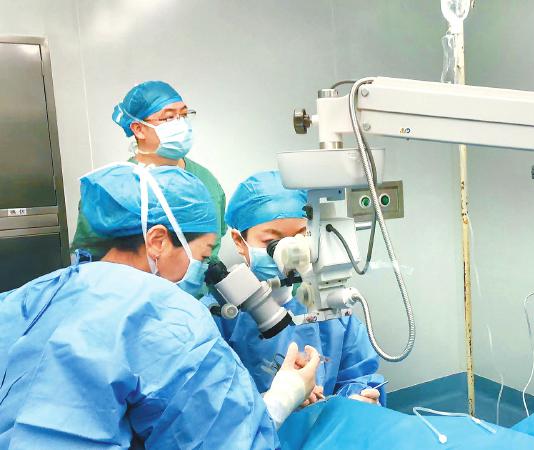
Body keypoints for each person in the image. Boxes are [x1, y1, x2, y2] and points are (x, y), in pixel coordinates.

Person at [0, 164, 318, 448]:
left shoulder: (34, 294)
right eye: (203, 255)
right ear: (157, 241)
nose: (204, 269)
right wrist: (284, 396)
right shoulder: (169, 318)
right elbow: (222, 441)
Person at [211, 170, 386, 406]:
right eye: (271, 243)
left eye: (300, 238)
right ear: (239, 242)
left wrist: (356, 402)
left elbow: (359, 376)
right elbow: (214, 406)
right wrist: (275, 403)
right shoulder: (218, 316)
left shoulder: (327, 305)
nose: (289, 254)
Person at [71, 81, 226, 268]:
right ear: (138, 129)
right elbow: (90, 258)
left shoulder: (205, 180)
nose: (181, 123)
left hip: (198, 286)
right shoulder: (112, 189)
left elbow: (211, 249)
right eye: (169, 118)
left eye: (184, 115)